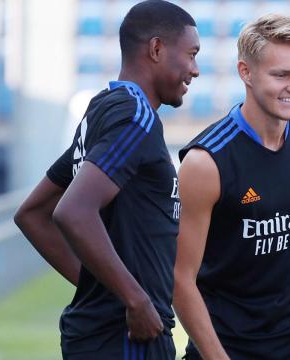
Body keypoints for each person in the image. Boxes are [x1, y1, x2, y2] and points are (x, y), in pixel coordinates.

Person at [13, 1, 199, 358]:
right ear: (157, 49)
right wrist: (134, 299)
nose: (194, 70)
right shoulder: (135, 119)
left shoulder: (105, 108)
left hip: (109, 333)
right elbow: (72, 211)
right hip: (126, 339)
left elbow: (32, 213)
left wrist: (100, 287)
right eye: (191, 54)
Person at [173, 14, 290, 360]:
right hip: (226, 350)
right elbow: (180, 278)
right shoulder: (206, 162)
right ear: (246, 72)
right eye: (281, 75)